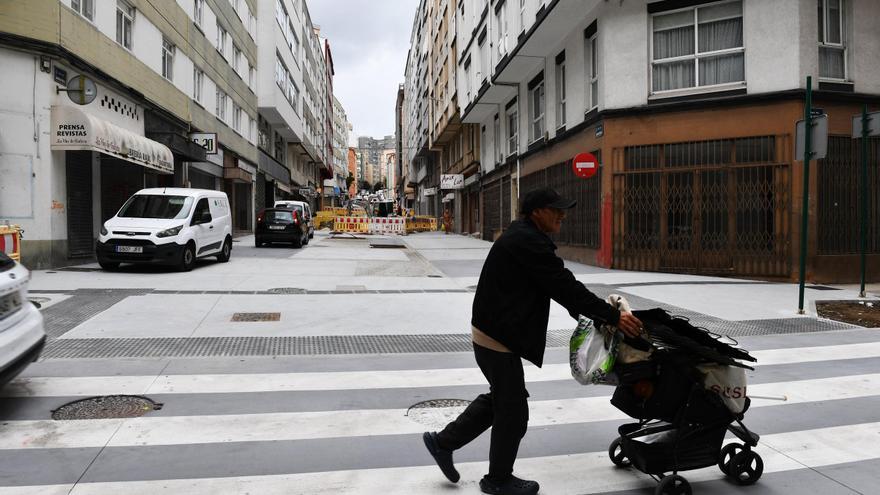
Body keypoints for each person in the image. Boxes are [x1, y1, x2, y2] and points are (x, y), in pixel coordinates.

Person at [422, 187, 643, 495]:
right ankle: (497, 479)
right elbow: (563, 285)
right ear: (537, 212)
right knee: (513, 411)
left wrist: (589, 315)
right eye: (556, 210)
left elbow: (553, 285)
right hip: (496, 336)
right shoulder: (527, 241)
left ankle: (443, 442)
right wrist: (611, 316)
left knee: (503, 397)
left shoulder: (524, 236)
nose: (562, 215)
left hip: (494, 330)